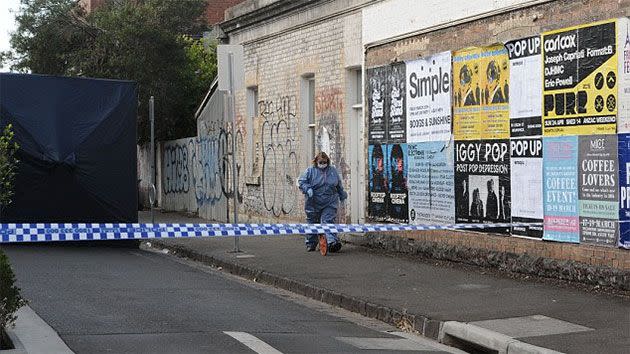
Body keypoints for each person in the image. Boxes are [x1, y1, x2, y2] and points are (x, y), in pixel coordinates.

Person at [298, 152, 347, 253]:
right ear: (316, 161)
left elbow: (338, 184)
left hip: (330, 201)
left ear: (327, 162)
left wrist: (341, 193)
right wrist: (307, 189)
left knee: (327, 221)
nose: (322, 164)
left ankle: (332, 242)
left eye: (324, 162)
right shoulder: (310, 171)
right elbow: (301, 182)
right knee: (312, 222)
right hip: (314, 201)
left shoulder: (332, 171)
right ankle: (311, 243)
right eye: (320, 162)